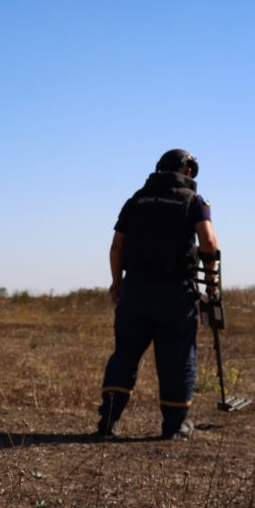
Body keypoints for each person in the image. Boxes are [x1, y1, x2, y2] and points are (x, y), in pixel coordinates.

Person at [95, 149, 219, 441]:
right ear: (188, 171)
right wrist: (211, 283)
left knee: (124, 355)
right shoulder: (194, 201)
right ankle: (174, 426)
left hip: (135, 290)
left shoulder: (136, 200)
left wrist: (117, 282)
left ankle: (108, 421)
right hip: (175, 293)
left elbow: (116, 247)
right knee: (177, 358)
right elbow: (209, 241)